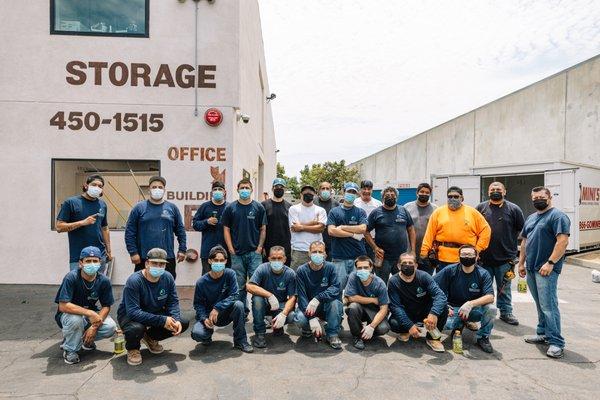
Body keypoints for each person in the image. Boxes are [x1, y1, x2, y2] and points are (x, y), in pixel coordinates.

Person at [518, 186, 570, 359]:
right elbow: (524, 242)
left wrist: (550, 263)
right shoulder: (532, 217)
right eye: (534, 198)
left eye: (541, 197)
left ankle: (556, 342)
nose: (537, 200)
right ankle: (543, 333)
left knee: (549, 306)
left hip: (545, 269)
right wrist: (521, 263)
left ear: (549, 198)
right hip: (532, 268)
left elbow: (562, 242)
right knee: (540, 305)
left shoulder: (558, 216)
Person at [117, 248, 189, 366]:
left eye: (162, 264)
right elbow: (133, 312)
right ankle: (133, 348)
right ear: (146, 263)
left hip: (154, 311)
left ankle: (150, 337)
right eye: (155, 263)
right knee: (136, 329)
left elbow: (173, 301)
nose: (158, 266)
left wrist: (175, 318)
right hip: (130, 315)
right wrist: (162, 320)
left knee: (182, 322)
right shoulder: (134, 281)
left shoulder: (168, 277)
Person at [54, 246, 117, 364]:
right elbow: (63, 306)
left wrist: (94, 327)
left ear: (100, 263)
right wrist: (89, 312)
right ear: (80, 263)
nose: (92, 264)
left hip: (89, 318)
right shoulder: (71, 277)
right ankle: (70, 350)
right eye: (88, 261)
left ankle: (82, 340)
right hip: (68, 315)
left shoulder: (104, 281)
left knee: (110, 327)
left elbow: (106, 306)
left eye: (95, 261)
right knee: (75, 320)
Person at [476, 182, 525, 326]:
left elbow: (521, 230)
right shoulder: (480, 208)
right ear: (488, 192)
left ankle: (506, 312)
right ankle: (482, 312)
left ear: (504, 192)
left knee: (504, 288)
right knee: (483, 289)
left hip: (506, 259)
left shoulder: (514, 209)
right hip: (484, 258)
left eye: (498, 189)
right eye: (492, 189)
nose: (495, 191)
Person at [434, 245, 496, 353]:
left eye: (470, 254)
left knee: (491, 309)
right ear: (459, 257)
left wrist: (470, 304)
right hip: (453, 309)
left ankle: (483, 337)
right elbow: (432, 287)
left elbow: (490, 297)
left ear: (477, 257)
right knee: (444, 325)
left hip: (474, 309)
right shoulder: (449, 270)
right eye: (464, 254)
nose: (467, 257)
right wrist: (444, 306)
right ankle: (459, 325)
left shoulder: (483, 273)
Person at [191, 246, 253, 353]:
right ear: (210, 261)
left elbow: (234, 294)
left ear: (225, 261)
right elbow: (198, 304)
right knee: (197, 334)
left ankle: (240, 341)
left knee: (239, 305)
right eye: (215, 260)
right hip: (208, 316)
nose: (218, 263)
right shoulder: (201, 282)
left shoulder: (230, 274)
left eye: (221, 260)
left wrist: (217, 308)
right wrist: (204, 318)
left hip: (225, 313)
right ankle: (207, 335)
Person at [125, 176, 187, 280]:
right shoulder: (139, 208)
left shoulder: (172, 208)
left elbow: (180, 231)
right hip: (144, 256)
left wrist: (182, 249)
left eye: (160, 187)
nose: (157, 189)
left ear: (164, 190)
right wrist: (133, 252)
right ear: (149, 190)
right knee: (142, 285)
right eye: (154, 187)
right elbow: (130, 232)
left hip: (167, 257)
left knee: (167, 286)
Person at [222, 179, 267, 313]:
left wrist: (259, 247)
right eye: (242, 188)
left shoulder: (258, 207)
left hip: (255, 253)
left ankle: (260, 314)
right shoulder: (231, 208)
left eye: (247, 188)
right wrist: (230, 249)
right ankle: (241, 312)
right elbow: (226, 229)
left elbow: (263, 229)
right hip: (237, 254)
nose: (244, 190)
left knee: (257, 285)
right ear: (237, 189)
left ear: (252, 190)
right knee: (239, 286)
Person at [421, 186, 491, 272]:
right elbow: (429, 234)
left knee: (464, 285)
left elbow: (486, 230)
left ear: (462, 198)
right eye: (450, 197)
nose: (452, 199)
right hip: (442, 259)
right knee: (443, 285)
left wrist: (477, 249)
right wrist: (424, 253)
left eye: (456, 196)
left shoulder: (472, 213)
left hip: (466, 257)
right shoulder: (438, 213)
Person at [387, 253, 447, 353]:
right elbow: (396, 307)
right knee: (394, 323)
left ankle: (433, 339)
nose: (407, 265)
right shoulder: (393, 281)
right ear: (398, 266)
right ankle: (407, 330)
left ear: (416, 265)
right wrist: (409, 325)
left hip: (425, 311)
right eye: (404, 263)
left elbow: (440, 295)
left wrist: (434, 313)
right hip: (407, 312)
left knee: (443, 308)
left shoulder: (424, 276)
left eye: (410, 263)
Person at [56, 174, 112, 273]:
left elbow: (104, 228)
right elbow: (59, 227)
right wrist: (82, 222)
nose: (97, 188)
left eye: (100, 186)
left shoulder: (102, 205)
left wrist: (109, 250)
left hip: (99, 255)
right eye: (94, 185)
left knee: (98, 286)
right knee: (79, 287)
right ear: (86, 186)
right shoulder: (71, 203)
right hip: (78, 256)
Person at [294, 241, 344, 350]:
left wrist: (318, 298)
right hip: (308, 306)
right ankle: (307, 328)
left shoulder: (331, 268)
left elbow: (336, 288)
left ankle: (332, 334)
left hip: (326, 306)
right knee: (300, 319)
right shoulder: (301, 270)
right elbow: (301, 296)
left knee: (335, 303)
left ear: (325, 254)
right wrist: (311, 318)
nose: (317, 254)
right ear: (309, 253)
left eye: (320, 252)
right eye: (314, 251)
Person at [247, 246, 297, 348]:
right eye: (273, 258)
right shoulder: (262, 268)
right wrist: (269, 295)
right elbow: (249, 286)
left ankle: (278, 325)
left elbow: (293, 297)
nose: (276, 261)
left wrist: (283, 314)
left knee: (292, 316)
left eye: (279, 258)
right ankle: (260, 333)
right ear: (269, 258)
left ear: (284, 259)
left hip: (280, 305)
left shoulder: (290, 273)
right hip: (264, 304)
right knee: (257, 299)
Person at [365, 186, 416, 283]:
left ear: (397, 197)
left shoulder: (403, 210)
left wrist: (413, 251)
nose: (390, 197)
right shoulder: (376, 212)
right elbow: (366, 232)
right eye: (387, 195)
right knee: (382, 284)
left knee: (402, 282)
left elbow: (411, 229)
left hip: (401, 257)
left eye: (392, 195)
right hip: (383, 258)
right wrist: (375, 248)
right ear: (382, 198)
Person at [327, 182, 368, 290]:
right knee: (337, 289)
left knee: (358, 289)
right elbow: (331, 231)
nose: (351, 194)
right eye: (349, 191)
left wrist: (342, 227)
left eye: (353, 192)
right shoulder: (334, 212)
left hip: (357, 258)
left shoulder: (360, 212)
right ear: (343, 192)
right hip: (339, 258)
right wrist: (354, 234)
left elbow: (363, 229)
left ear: (357, 194)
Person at [344, 256, 390, 350]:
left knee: (383, 328)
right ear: (356, 269)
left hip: (374, 311)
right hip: (359, 309)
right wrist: (373, 300)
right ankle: (357, 337)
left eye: (365, 267)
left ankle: (367, 330)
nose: (362, 270)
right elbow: (351, 298)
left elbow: (384, 309)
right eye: (359, 268)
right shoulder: (353, 277)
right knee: (352, 307)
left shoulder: (379, 283)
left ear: (371, 267)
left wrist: (372, 326)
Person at [193, 181, 228, 275]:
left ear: (224, 192)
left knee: (225, 280)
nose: (217, 191)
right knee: (207, 278)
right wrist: (206, 222)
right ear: (211, 192)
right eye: (215, 189)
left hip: (225, 251)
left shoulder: (229, 207)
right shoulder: (205, 207)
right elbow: (195, 225)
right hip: (207, 251)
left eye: (220, 189)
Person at [288, 184, 327, 269]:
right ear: (301, 195)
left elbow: (320, 228)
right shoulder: (294, 209)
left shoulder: (321, 210)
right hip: (299, 249)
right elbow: (295, 228)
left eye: (310, 193)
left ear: (314, 195)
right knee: (296, 278)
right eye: (305, 193)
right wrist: (313, 223)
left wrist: (301, 227)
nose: (308, 195)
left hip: (317, 250)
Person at [404, 183, 438, 275]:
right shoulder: (407, 207)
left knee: (426, 277)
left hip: (428, 251)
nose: (424, 194)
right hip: (410, 250)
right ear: (417, 193)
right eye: (422, 191)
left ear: (430, 194)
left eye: (427, 192)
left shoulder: (435, 209)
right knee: (409, 277)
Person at [262, 178, 292, 265]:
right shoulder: (264, 205)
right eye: (276, 186)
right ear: (272, 188)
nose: (279, 188)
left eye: (281, 187)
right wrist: (262, 246)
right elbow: (261, 227)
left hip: (285, 246)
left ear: (285, 189)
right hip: (268, 246)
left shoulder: (289, 207)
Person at [354, 180, 382, 261]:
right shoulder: (355, 203)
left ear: (372, 190)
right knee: (359, 263)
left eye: (369, 189)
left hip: (373, 240)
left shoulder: (378, 204)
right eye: (364, 188)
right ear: (360, 190)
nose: (366, 191)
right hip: (358, 239)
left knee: (372, 264)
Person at [314, 181, 336, 260]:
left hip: (331, 243)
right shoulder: (313, 202)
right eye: (323, 188)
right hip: (316, 241)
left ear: (331, 190)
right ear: (319, 190)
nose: (325, 190)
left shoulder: (336, 204)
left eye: (327, 188)